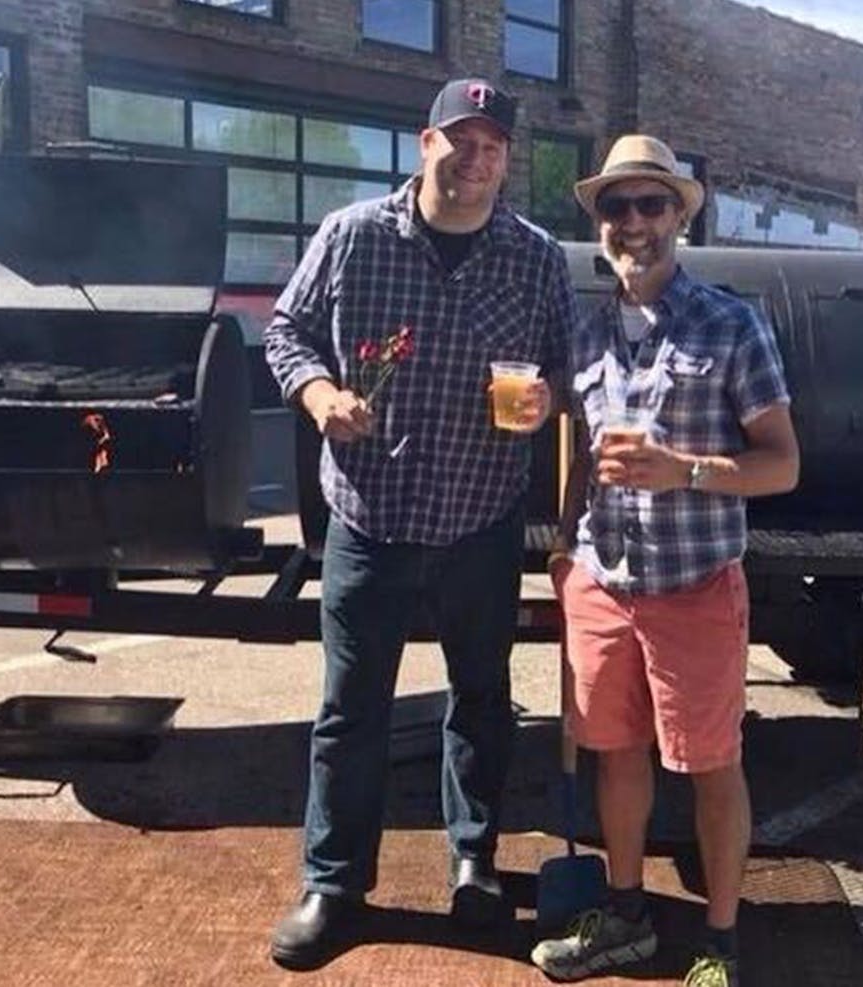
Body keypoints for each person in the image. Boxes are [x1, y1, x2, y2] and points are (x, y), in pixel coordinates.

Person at [264, 77, 575, 970]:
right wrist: (321, 395)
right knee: (350, 710)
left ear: (507, 160)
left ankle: (474, 858)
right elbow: (286, 331)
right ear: (424, 143)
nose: (475, 157)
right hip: (370, 515)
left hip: (481, 517)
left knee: (481, 699)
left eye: (493, 145)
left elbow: (563, 362)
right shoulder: (354, 236)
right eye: (460, 139)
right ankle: (335, 883)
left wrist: (549, 396)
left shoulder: (536, 257)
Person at [531, 135, 799, 987]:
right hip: (604, 583)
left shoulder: (731, 324)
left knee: (712, 764)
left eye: (652, 204)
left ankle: (718, 942)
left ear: (682, 214)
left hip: (695, 587)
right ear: (600, 223)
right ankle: (627, 915)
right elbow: (579, 450)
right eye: (616, 206)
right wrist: (566, 544)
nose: (633, 222)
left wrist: (682, 469)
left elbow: (783, 462)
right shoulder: (584, 326)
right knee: (616, 753)